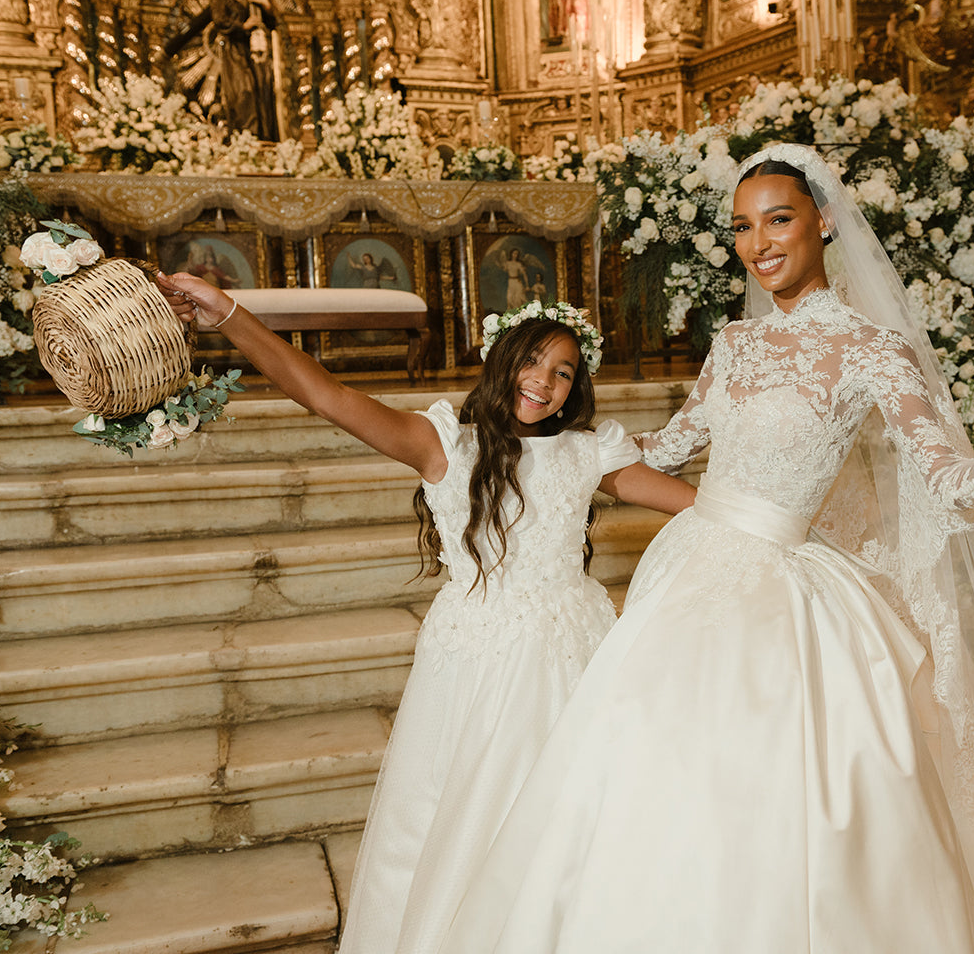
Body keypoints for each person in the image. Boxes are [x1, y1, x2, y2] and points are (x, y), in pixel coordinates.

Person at [436, 145, 974, 953]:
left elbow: (941, 474)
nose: (759, 243)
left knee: (788, 799)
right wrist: (550, 441)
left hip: (785, 594)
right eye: (742, 227)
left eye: (779, 219)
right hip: (690, 573)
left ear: (823, 222)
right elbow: (675, 444)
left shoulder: (874, 348)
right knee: (655, 779)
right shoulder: (733, 343)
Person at [154, 272, 698, 954]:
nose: (544, 380)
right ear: (503, 360)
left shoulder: (589, 452)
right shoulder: (445, 444)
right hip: (478, 656)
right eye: (532, 360)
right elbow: (324, 394)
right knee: (468, 813)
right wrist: (229, 313)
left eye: (563, 372)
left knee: (576, 814)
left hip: (576, 649)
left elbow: (700, 507)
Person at [162, 0, 279, 141]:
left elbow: (272, 23)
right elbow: (220, 20)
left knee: (262, 90)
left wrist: (264, 3)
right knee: (243, 93)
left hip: (256, 50)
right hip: (235, 53)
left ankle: (265, 137)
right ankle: (246, 138)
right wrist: (244, 26)